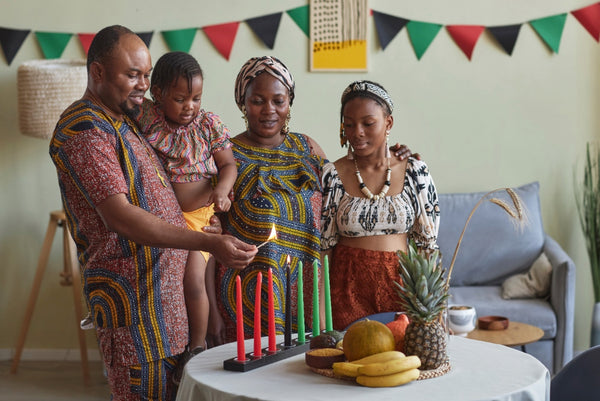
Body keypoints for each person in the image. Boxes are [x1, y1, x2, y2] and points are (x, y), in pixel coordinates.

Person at [49, 25, 256, 401]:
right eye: (133, 75)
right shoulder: (84, 130)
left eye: (146, 75)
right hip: (136, 315)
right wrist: (202, 239)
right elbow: (121, 217)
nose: (143, 85)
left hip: (165, 310)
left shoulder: (125, 119)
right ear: (97, 72)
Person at [209, 57, 415, 346]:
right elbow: (205, 224)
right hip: (247, 299)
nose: (269, 110)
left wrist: (391, 153)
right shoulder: (225, 156)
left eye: (278, 101)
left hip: (309, 296)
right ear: (242, 102)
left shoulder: (308, 148)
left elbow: (349, 185)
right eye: (257, 100)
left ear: (289, 103)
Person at [131, 51, 237, 372]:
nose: (189, 106)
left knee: (193, 281)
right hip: (166, 221)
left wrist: (220, 190)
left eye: (196, 98)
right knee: (171, 286)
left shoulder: (207, 125)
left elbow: (229, 164)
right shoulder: (149, 118)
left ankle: (197, 345)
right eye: (180, 98)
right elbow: (127, 99)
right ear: (158, 94)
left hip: (200, 219)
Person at [320, 80, 440, 331]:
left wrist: (436, 315)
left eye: (368, 123)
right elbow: (325, 251)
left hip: (402, 292)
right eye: (349, 124)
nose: (357, 132)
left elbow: (428, 249)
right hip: (346, 294)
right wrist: (322, 318)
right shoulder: (332, 174)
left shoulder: (415, 172)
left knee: (401, 367)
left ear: (389, 123)